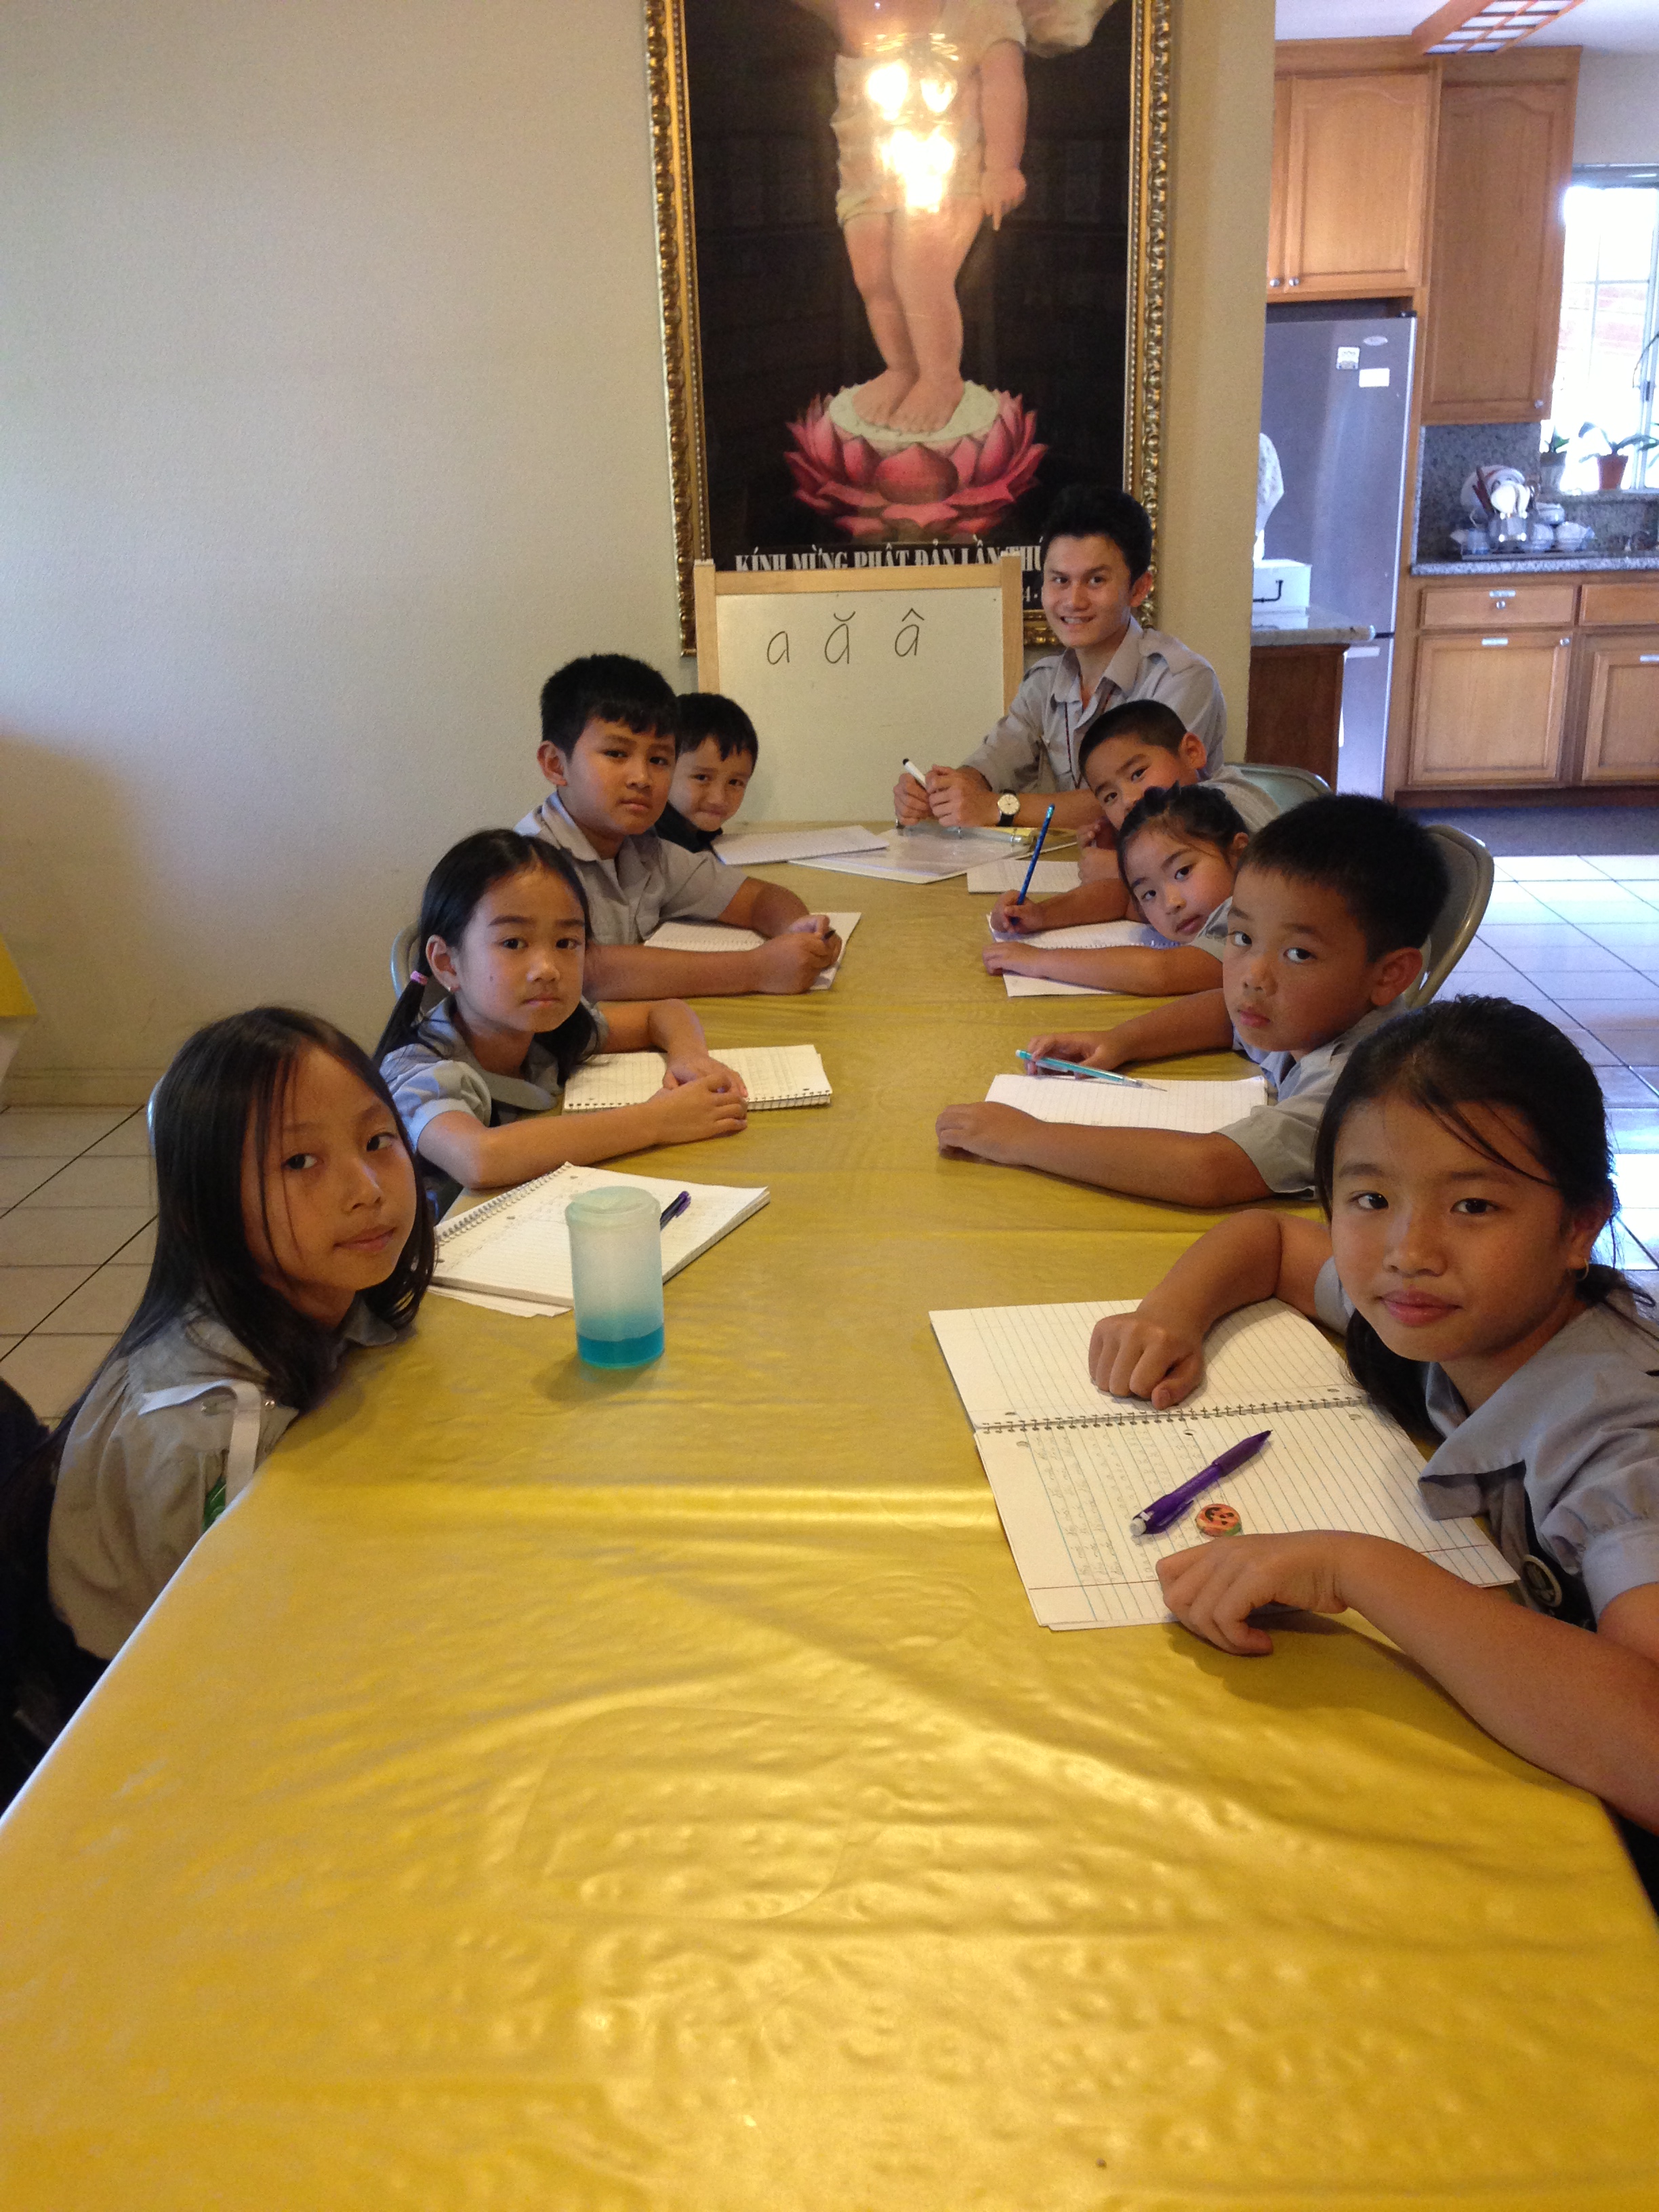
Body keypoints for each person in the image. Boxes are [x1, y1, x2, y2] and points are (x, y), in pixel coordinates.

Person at [1088, 998, 1659, 1893]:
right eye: (1370, 1199)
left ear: (1579, 1228)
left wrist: (1360, 1569)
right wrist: (1171, 1313)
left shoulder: (1619, 1440)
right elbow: (1269, 1239)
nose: (1409, 1249)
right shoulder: (1451, 1312)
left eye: (1474, 1204)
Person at [0, 1008, 434, 1793]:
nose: (366, 1189)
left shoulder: (322, 1300)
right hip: (142, 1716)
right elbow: (239, 1667)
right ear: (205, 1207)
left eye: (378, 1140)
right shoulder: (208, 1434)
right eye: (299, 1161)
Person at [937, 796, 1448, 1206]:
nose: (1252, 978)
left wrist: (1024, 1139)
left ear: (1389, 976)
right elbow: (1225, 1014)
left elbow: (1209, 1171)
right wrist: (1120, 1042)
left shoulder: (1364, 1089)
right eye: (1242, 938)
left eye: (1298, 953)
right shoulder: (1307, 1013)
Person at [378, 831, 750, 1215]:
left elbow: (664, 1012)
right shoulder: (418, 1072)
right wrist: (657, 1121)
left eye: (566, 943)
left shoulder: (550, 1032)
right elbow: (481, 1157)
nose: (547, 969)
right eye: (513, 943)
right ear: (447, 963)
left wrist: (689, 1057)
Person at [892, 485, 1225, 835]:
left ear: (1139, 588)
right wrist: (945, 792)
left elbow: (1139, 803)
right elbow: (994, 762)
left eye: (1096, 580)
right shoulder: (1043, 682)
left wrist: (996, 807)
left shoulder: (1182, 679)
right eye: (1060, 580)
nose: (1073, 600)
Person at [519, 655, 840, 998]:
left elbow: (758, 897)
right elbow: (589, 970)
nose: (642, 777)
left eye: (659, 760)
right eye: (616, 754)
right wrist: (759, 969)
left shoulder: (645, 850)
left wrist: (799, 933)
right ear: (556, 764)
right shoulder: (527, 867)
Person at [802, 0, 1030, 436]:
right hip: (866, 174)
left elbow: (1003, 81)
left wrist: (1003, 165)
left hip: (949, 169)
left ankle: (941, 377)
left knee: (919, 271)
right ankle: (902, 367)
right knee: (873, 278)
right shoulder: (848, 11)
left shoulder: (980, 11)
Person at [987, 699, 1283, 937]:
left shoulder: (1225, 800)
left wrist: (1120, 868)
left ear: (1192, 752)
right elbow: (1121, 899)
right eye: (1110, 797)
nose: (1128, 800)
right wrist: (1041, 914)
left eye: (1138, 773)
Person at [983, 783, 1248, 996]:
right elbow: (1120, 898)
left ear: (1238, 853)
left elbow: (1161, 973)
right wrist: (1041, 915)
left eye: (1183, 872)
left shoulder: (1249, 920)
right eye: (1150, 894)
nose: (1171, 903)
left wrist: (1040, 962)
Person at [657, 693, 758, 856]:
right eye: (702, 778)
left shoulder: (701, 834)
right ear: (662, 769)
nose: (719, 799)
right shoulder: (652, 847)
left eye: (734, 782)